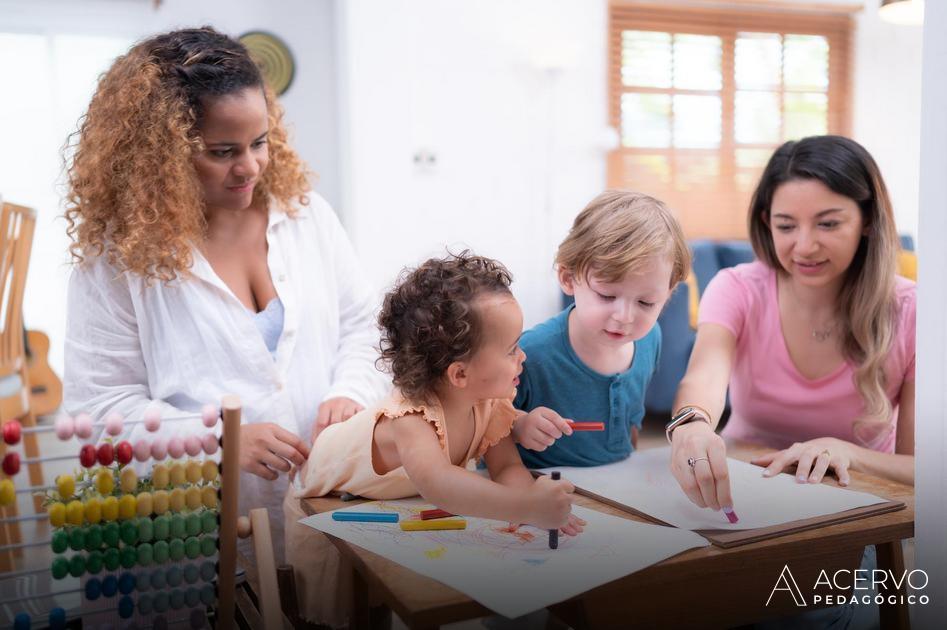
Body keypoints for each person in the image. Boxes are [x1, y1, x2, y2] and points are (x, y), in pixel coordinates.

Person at [62, 27, 389, 561]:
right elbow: (99, 410)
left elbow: (362, 324)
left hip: (328, 509)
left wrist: (351, 389)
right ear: (159, 155)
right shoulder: (118, 258)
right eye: (222, 151)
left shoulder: (304, 214)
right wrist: (220, 440)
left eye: (259, 142)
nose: (251, 167)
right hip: (197, 539)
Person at [284, 252, 585, 626]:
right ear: (459, 374)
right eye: (511, 349)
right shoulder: (410, 419)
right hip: (321, 499)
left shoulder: (489, 401)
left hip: (384, 503)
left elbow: (506, 465)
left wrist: (533, 505)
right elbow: (440, 484)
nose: (523, 357)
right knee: (338, 617)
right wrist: (524, 508)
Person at [669, 135, 915, 512]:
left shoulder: (914, 311)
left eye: (828, 224)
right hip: (742, 489)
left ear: (867, 220)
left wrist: (845, 452)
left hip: (854, 505)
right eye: (786, 226)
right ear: (767, 222)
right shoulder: (737, 288)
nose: (804, 246)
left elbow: (923, 469)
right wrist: (692, 426)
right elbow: (704, 377)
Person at [511, 191, 691, 468]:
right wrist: (519, 426)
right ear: (568, 278)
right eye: (607, 296)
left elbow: (630, 425)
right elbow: (483, 423)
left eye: (646, 302)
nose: (624, 317)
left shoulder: (650, 338)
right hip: (536, 491)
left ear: (668, 295)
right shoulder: (530, 353)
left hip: (613, 488)